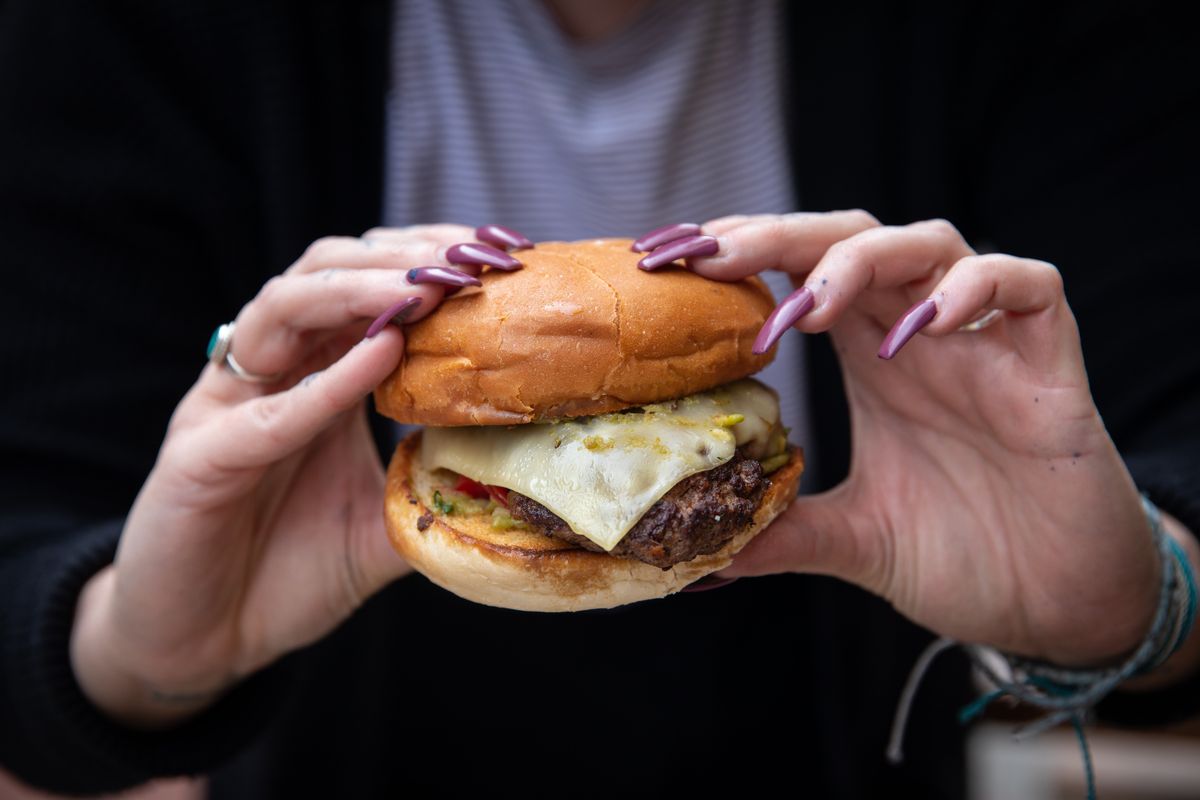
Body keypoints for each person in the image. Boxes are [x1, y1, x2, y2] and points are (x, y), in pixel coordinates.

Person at [2, 1, 1197, 797]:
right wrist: (143, 647)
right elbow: (28, 532)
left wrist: (1137, 600)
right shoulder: (128, 31)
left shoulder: (1051, 28)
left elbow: (1174, 434)